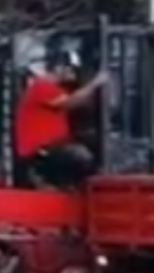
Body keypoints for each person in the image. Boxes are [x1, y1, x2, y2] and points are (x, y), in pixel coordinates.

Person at [14, 50, 108, 186]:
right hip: (41, 152)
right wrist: (95, 84)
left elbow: (80, 102)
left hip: (53, 149)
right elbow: (70, 103)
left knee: (92, 141)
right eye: (71, 69)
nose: (74, 74)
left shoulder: (56, 89)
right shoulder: (42, 86)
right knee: (81, 157)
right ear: (58, 68)